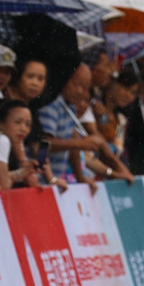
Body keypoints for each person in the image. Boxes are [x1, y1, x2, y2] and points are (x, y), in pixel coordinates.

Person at [38, 63, 101, 192]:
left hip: (54, 181)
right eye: (76, 84)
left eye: (86, 87)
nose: (80, 91)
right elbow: (44, 144)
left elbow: (73, 144)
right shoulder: (52, 105)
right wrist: (81, 143)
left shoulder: (71, 106)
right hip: (38, 180)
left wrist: (80, 177)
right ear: (65, 79)